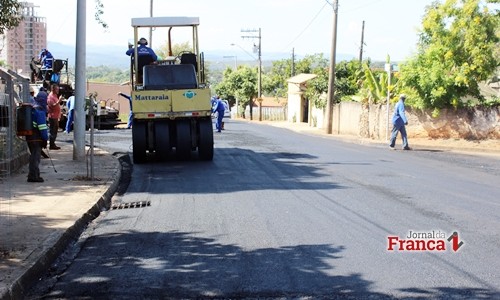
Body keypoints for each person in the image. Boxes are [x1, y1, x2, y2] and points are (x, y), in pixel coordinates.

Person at [26, 98, 49, 182]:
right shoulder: (40, 112)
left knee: (33, 156)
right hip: (36, 138)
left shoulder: (31, 110)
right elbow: (42, 127)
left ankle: (32, 174)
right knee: (36, 157)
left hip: (29, 136)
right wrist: (45, 139)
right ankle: (34, 176)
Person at [47, 84, 62, 150]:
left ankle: (53, 144)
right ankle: (52, 144)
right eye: (56, 89)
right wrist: (59, 101)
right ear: (53, 89)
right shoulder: (50, 97)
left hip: (55, 116)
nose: (58, 91)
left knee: (55, 131)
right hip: (52, 117)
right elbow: (52, 105)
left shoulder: (55, 96)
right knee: (53, 131)